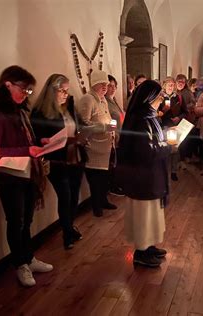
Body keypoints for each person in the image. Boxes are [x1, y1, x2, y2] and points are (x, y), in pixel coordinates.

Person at [0, 65, 53, 287]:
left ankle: (28, 258)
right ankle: (20, 264)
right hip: (10, 177)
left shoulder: (19, 111)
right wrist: (26, 151)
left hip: (27, 173)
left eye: (29, 91)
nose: (26, 94)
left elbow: (23, 142)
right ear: (7, 84)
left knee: (27, 220)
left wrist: (38, 143)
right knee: (16, 221)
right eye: (24, 89)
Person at [116, 80, 173, 267]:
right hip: (143, 177)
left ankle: (148, 246)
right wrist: (168, 146)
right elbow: (146, 152)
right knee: (144, 215)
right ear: (149, 98)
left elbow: (154, 141)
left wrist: (165, 136)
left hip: (151, 175)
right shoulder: (140, 120)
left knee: (151, 214)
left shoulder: (149, 116)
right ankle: (141, 252)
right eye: (159, 96)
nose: (162, 99)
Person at [31, 74, 86, 250]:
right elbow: (36, 137)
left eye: (66, 90)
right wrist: (43, 140)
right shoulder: (41, 112)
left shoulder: (68, 107)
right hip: (57, 161)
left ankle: (70, 226)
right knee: (65, 196)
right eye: (61, 90)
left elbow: (78, 126)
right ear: (52, 90)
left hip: (74, 157)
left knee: (74, 196)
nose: (65, 94)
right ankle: (67, 233)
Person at [75, 69, 117, 217]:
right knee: (95, 179)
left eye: (106, 84)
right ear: (94, 84)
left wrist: (112, 129)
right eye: (101, 84)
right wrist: (105, 127)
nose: (105, 87)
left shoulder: (103, 99)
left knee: (104, 177)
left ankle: (103, 200)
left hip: (105, 145)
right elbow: (83, 124)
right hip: (93, 147)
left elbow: (107, 117)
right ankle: (96, 205)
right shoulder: (88, 99)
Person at [157, 76, 186, 181]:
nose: (171, 87)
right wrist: (164, 111)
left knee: (175, 150)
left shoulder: (178, 97)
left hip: (174, 127)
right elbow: (156, 114)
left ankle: (173, 171)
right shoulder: (159, 97)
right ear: (164, 85)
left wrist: (179, 117)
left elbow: (185, 112)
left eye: (173, 85)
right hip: (163, 127)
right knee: (164, 149)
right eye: (169, 84)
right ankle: (163, 170)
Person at [105, 74, 126, 197]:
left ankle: (119, 184)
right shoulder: (105, 103)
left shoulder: (114, 101)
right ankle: (113, 186)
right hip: (115, 137)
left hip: (121, 136)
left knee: (119, 163)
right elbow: (110, 122)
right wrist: (115, 134)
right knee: (114, 163)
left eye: (114, 86)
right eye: (109, 86)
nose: (112, 89)